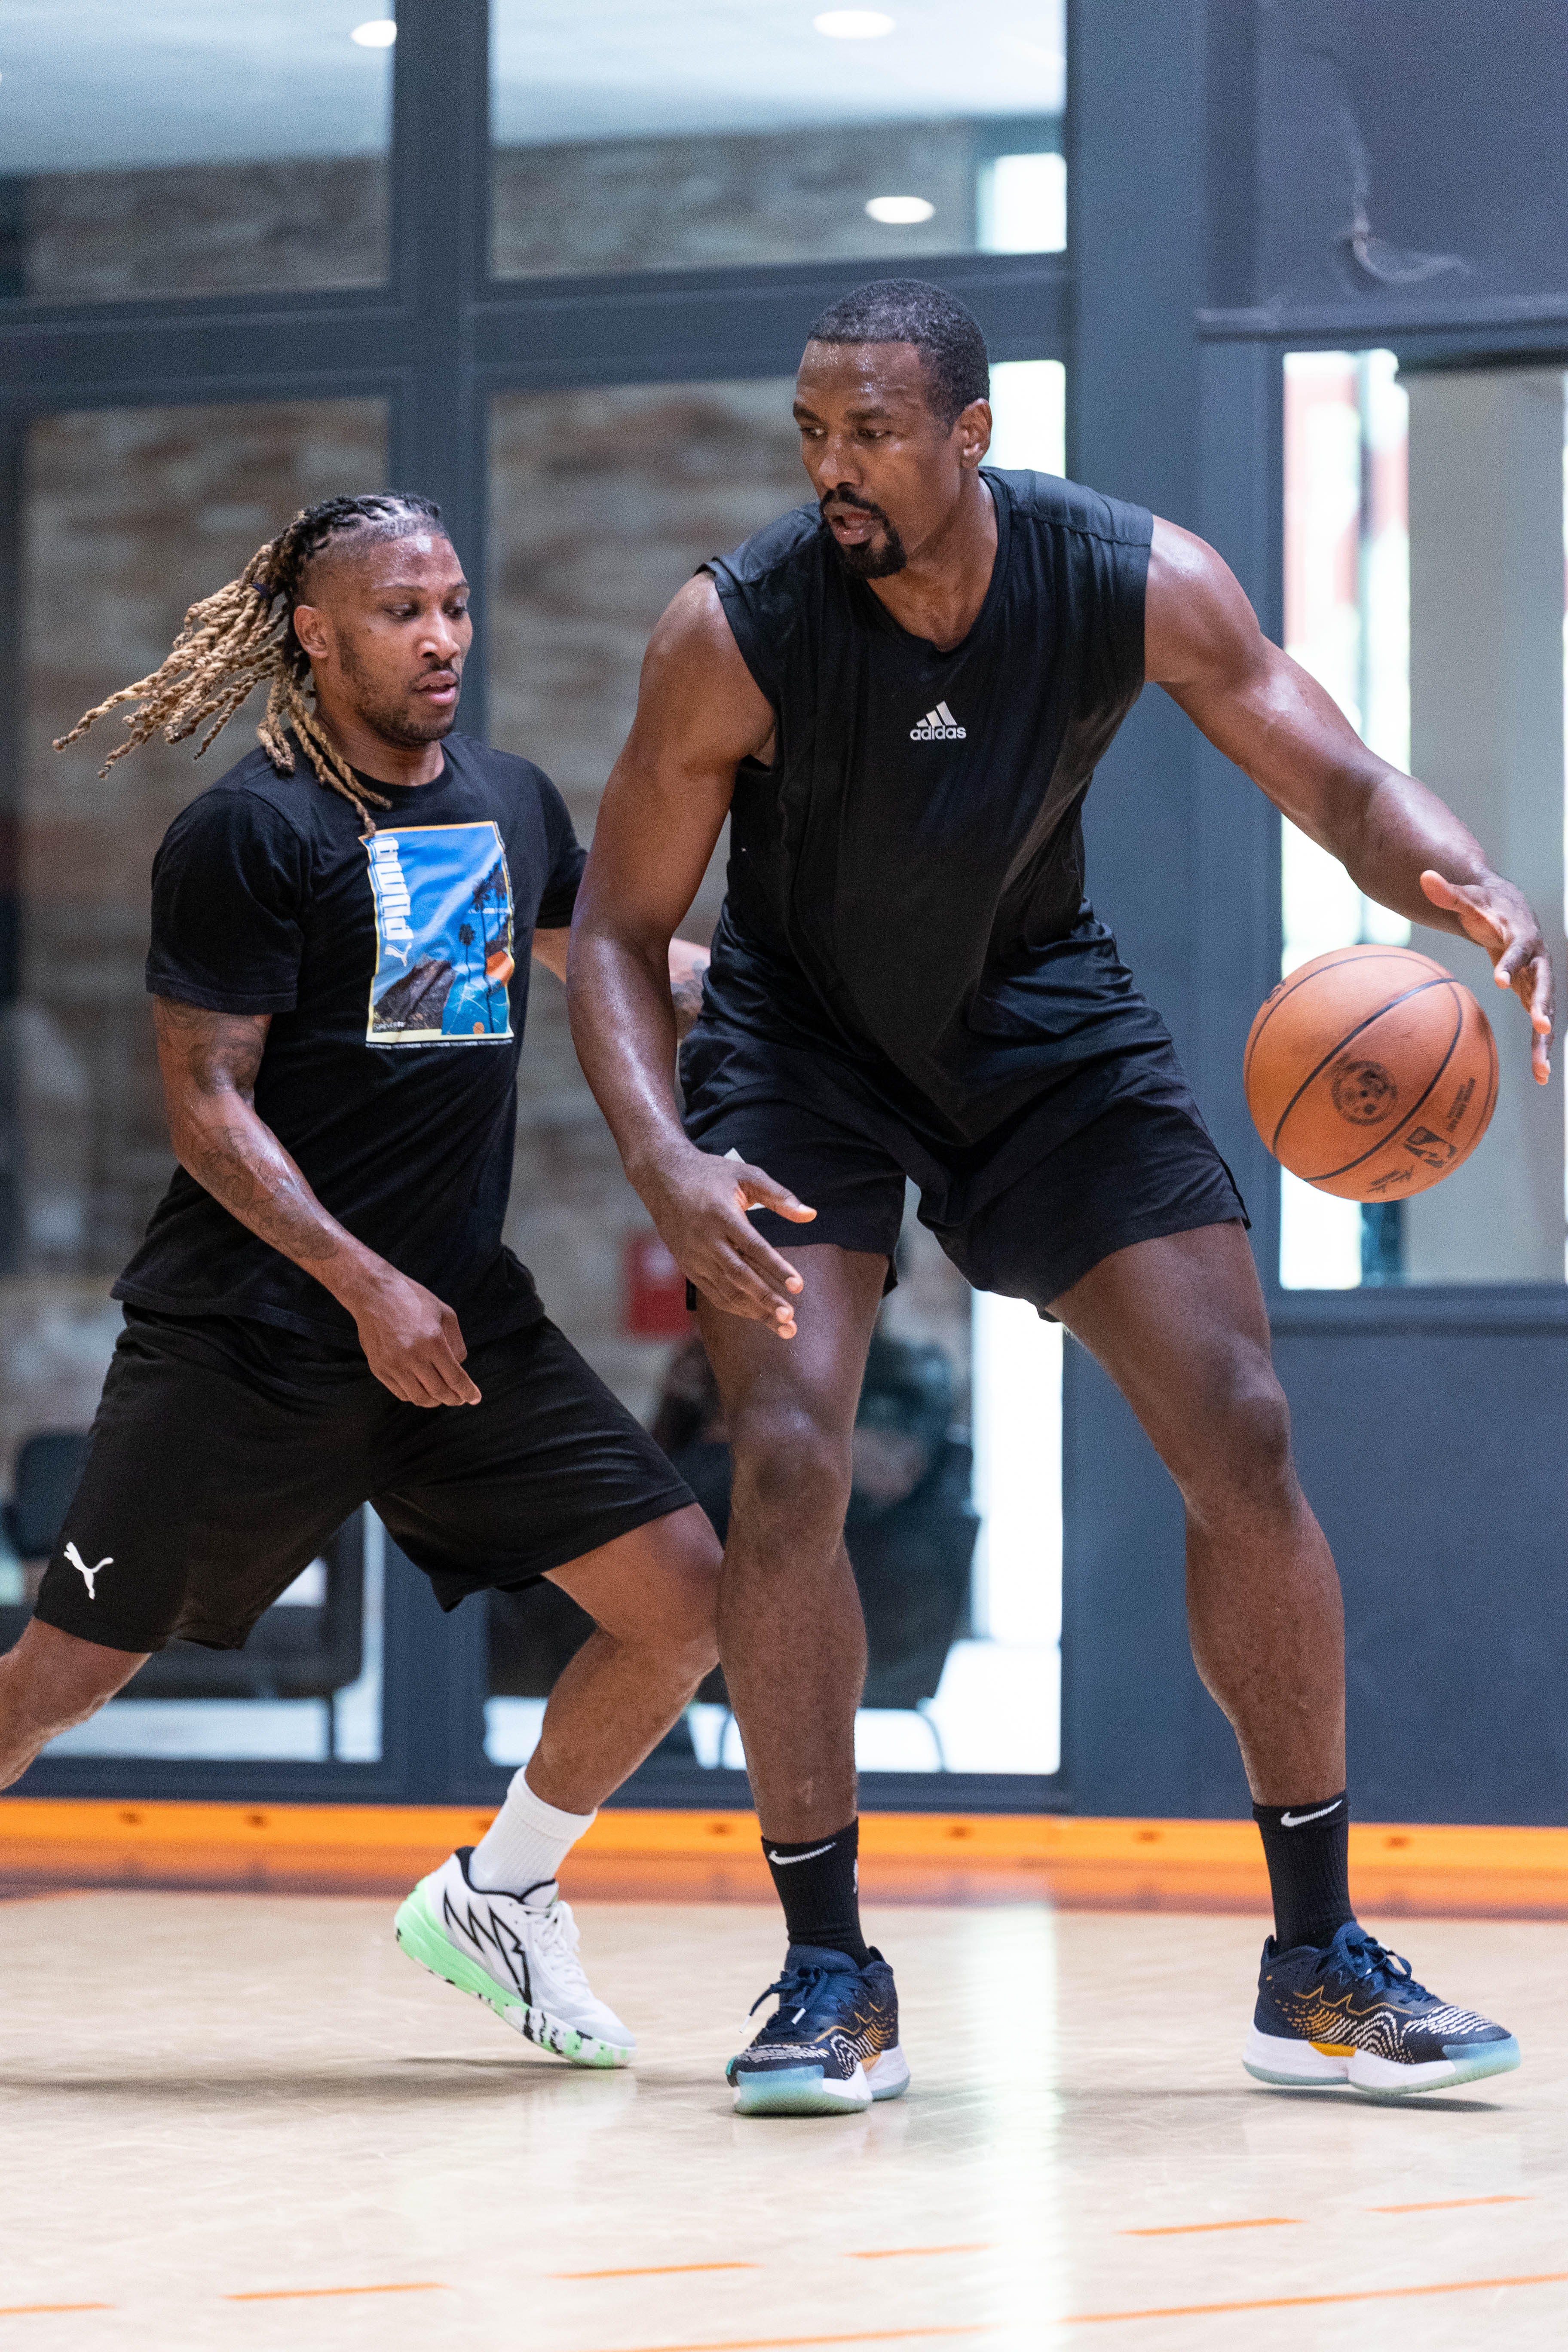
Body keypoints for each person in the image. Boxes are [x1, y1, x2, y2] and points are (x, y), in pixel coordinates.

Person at [567, 280, 1551, 2116]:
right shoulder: (738, 627)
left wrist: (1468, 886)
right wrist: (667, 1155)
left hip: (1040, 1018)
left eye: (870, 431)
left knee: (1243, 1429)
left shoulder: (1131, 577)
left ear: (971, 434)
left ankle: (1319, 1961)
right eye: (812, 432)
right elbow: (621, 938)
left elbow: (1332, 774)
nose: (832, 467)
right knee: (785, 1452)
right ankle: (826, 1973)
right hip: (798, 1044)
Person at [4, 491, 720, 2070]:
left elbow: (606, 954)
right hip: (251, 1335)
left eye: (455, 603)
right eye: (404, 612)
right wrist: (360, 1285)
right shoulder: (250, 835)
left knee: (681, 1603)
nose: (443, 637)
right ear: (316, 636)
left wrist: (777, 1000)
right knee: (55, 1681)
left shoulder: (505, 804)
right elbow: (208, 1113)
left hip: (459, 1319)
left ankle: (502, 1894)